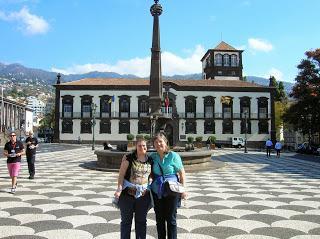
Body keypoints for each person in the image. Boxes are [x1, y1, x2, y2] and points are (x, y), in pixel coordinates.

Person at [114, 138, 153, 239]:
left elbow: (152, 175)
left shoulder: (150, 160)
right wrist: (119, 189)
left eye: (144, 146)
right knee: (126, 222)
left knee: (141, 222)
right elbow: (121, 175)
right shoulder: (129, 158)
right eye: (139, 145)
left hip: (143, 196)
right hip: (127, 195)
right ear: (136, 147)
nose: (142, 147)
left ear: (147, 147)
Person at [150, 133, 187, 239]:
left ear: (165, 142)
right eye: (156, 142)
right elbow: (149, 172)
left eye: (160, 141)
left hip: (172, 190)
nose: (158, 144)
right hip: (157, 191)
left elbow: (182, 173)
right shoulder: (153, 157)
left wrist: (183, 190)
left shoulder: (173, 156)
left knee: (171, 219)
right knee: (159, 219)